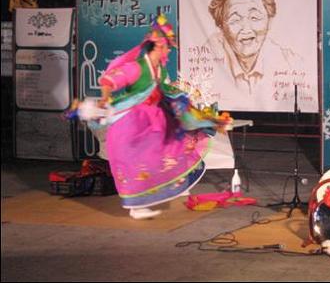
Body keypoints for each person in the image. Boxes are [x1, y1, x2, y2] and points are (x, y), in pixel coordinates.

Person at [94, 15, 231, 220]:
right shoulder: (137, 67)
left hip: (153, 121)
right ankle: (135, 206)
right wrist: (104, 99)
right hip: (132, 123)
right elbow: (109, 81)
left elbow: (167, 90)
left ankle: (160, 192)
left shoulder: (159, 68)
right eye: (167, 47)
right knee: (136, 162)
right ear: (157, 46)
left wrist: (197, 112)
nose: (168, 51)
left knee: (166, 150)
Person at [204, 0, 307, 110]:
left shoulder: (290, 63)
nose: (246, 29)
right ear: (221, 26)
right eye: (235, 20)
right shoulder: (206, 61)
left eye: (254, 17)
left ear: (269, 19)